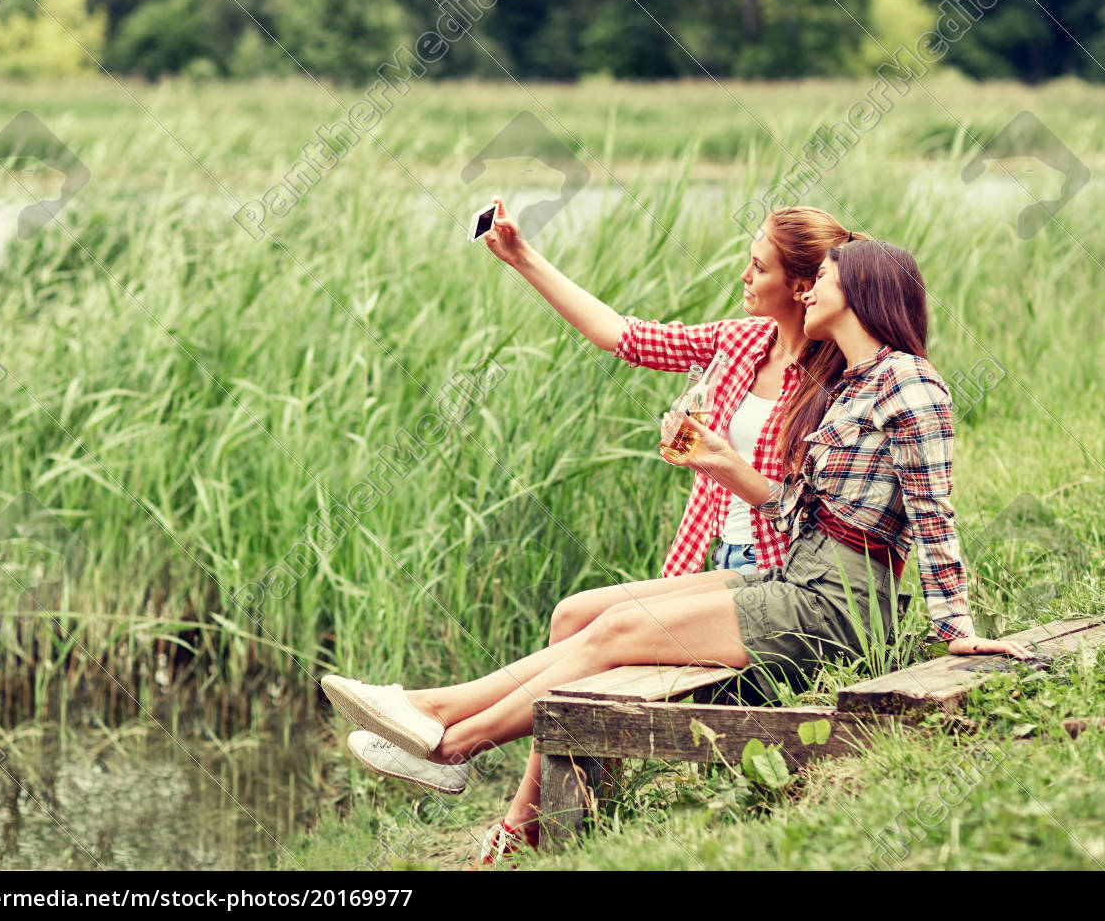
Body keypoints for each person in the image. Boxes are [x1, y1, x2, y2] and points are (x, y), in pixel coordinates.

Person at [323, 238, 1032, 867]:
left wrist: (957, 628)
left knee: (618, 632)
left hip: (838, 605)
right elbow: (799, 505)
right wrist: (723, 461)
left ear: (864, 292)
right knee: (607, 615)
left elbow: (934, 512)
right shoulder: (847, 384)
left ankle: (447, 739)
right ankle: (432, 719)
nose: (810, 289)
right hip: (797, 575)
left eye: (826, 279)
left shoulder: (911, 384)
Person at [480, 198, 866, 655]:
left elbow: (823, 509)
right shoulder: (741, 341)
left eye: (759, 268)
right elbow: (623, 336)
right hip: (715, 554)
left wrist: (717, 459)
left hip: (776, 569)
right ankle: (547, 726)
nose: (744, 276)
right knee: (570, 616)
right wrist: (521, 256)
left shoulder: (840, 377)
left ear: (802, 287)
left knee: (606, 633)